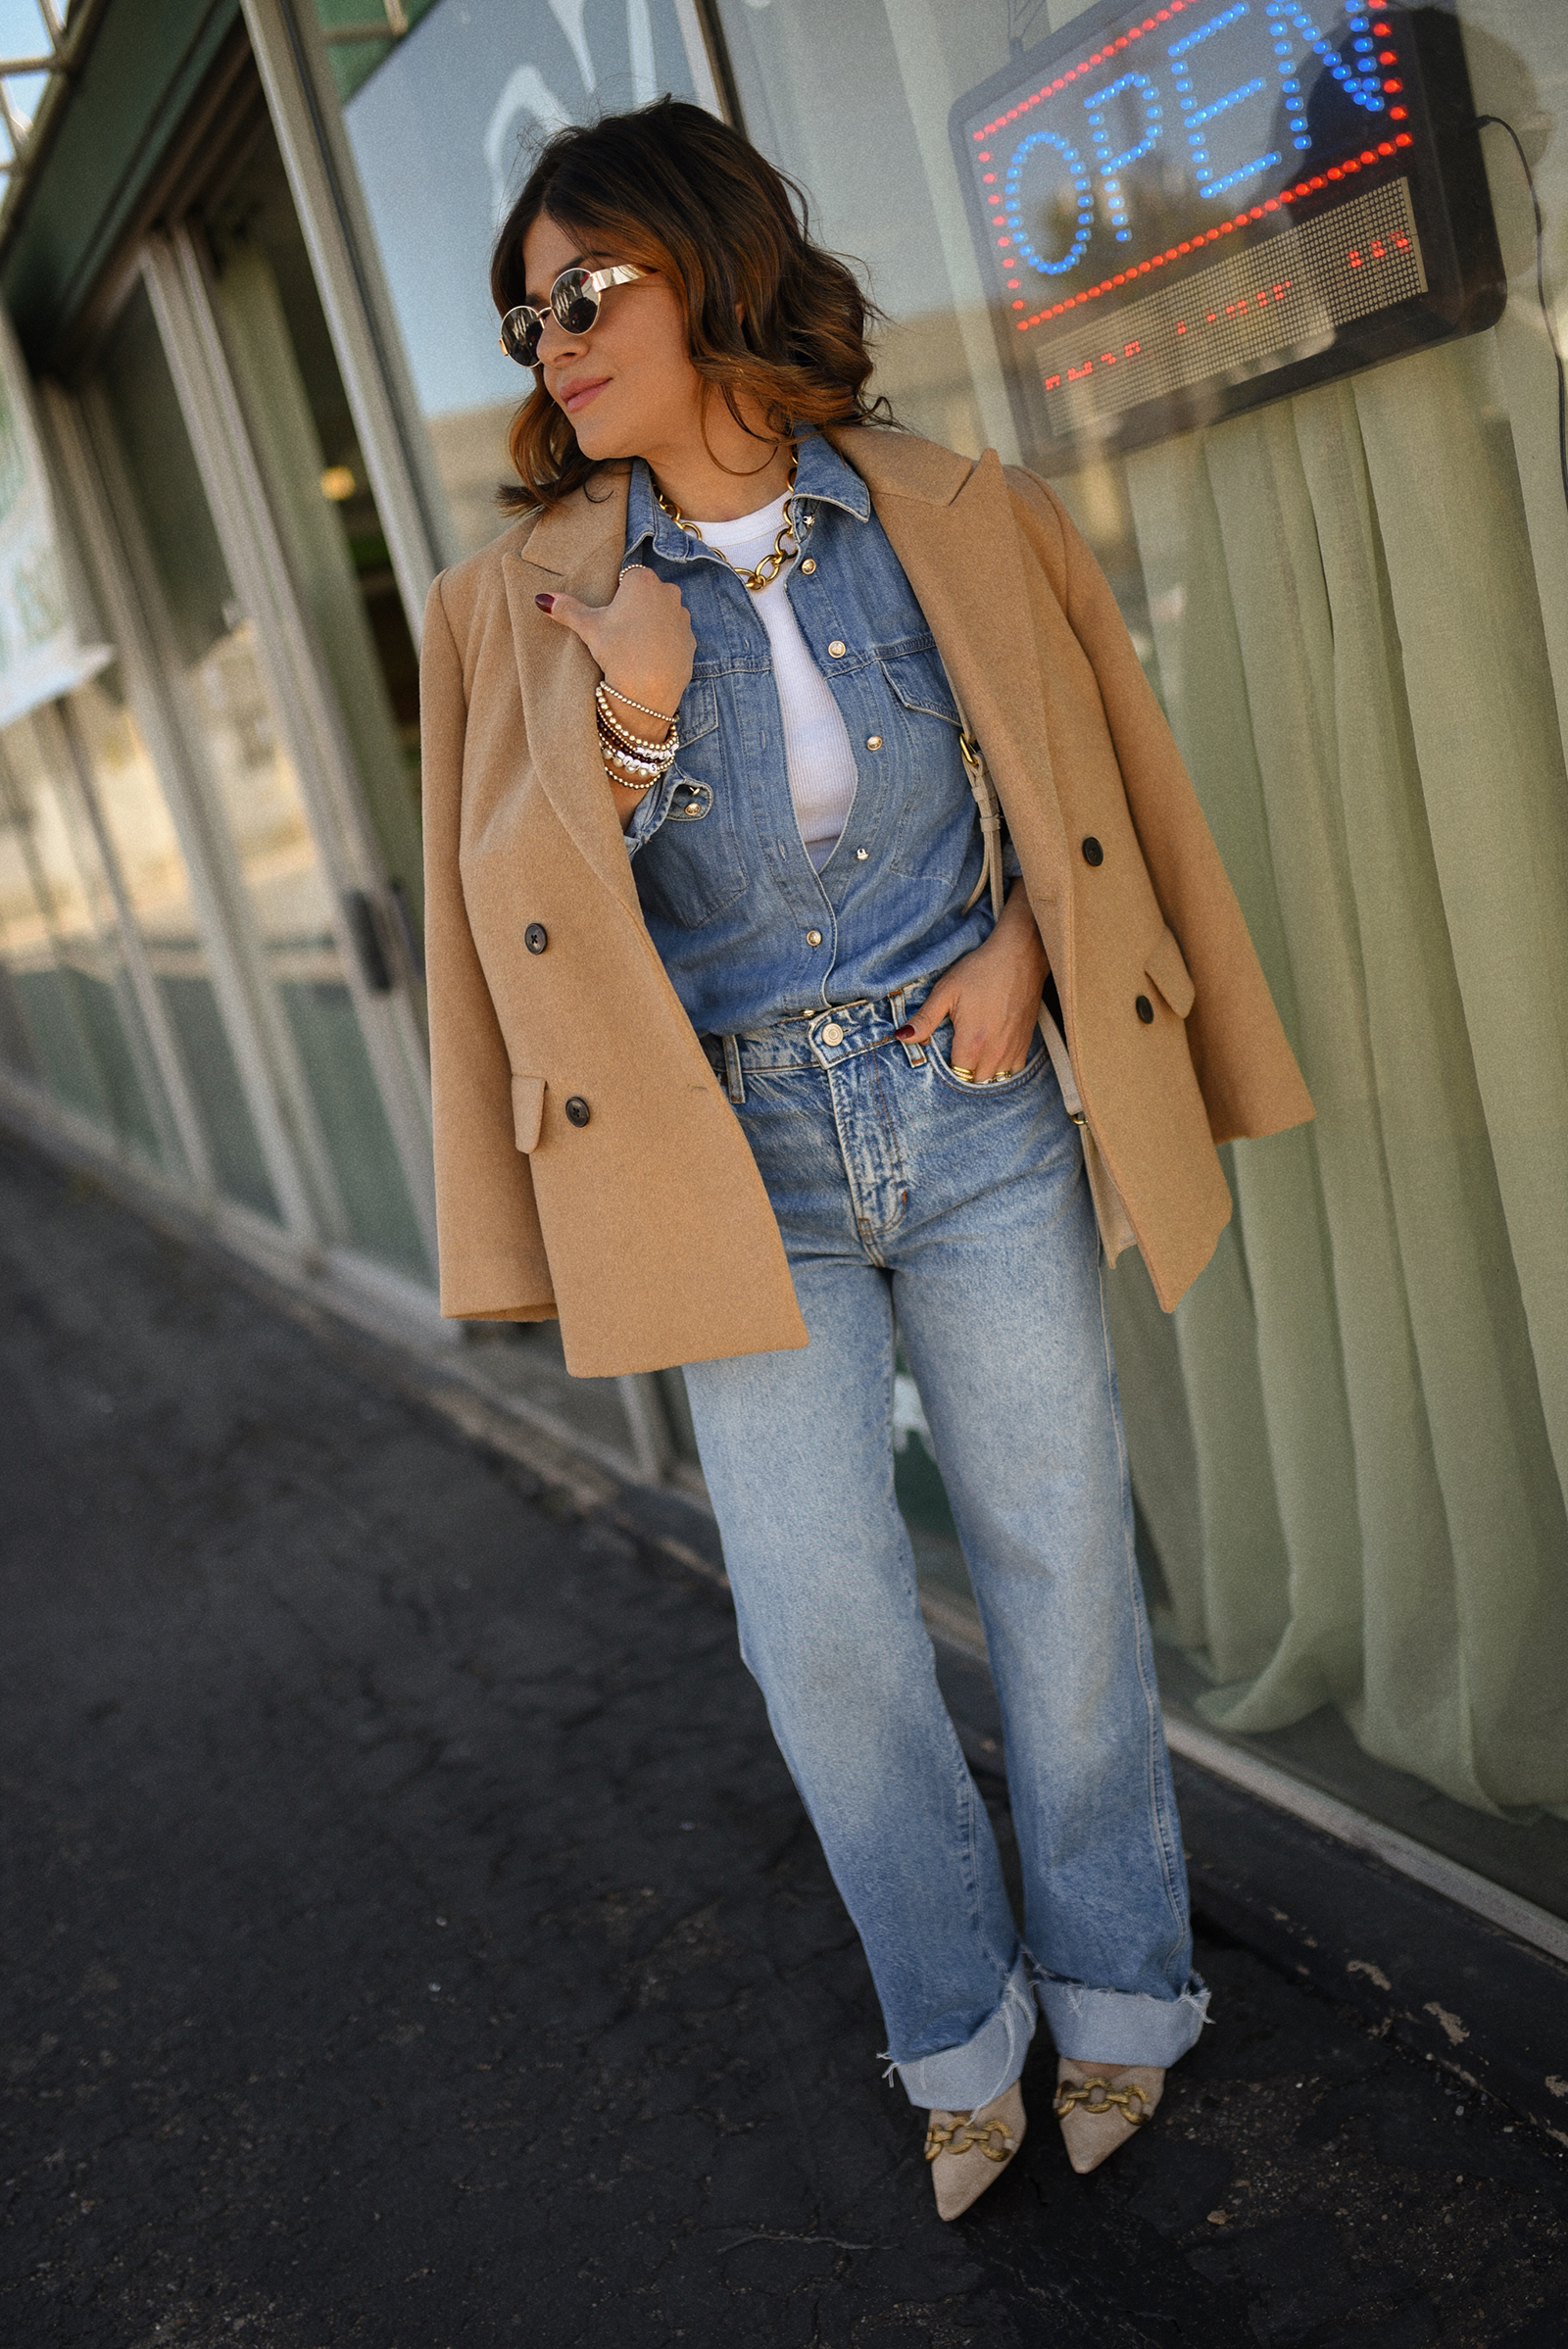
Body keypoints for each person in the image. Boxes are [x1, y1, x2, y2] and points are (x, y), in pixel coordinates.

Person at [419, 98, 1312, 2220]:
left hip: (975, 1108)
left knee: (1062, 1579)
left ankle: (1116, 1991)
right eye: (524, 309)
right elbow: (518, 934)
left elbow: (1083, 771)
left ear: (711, 270)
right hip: (734, 1164)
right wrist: (634, 720)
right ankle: (954, 2034)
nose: (550, 336)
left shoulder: (952, 511)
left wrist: (1023, 936)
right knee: (821, 1632)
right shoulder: (521, 599)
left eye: (587, 288)